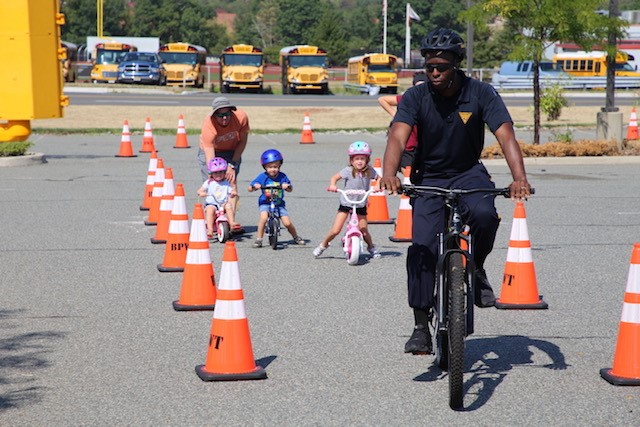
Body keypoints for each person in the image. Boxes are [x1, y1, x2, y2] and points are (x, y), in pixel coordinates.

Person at [378, 28, 532, 355]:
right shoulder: (417, 96)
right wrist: (390, 173)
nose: (434, 73)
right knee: (421, 247)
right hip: (429, 176)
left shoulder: (480, 93)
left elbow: (506, 136)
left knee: (486, 216)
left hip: (468, 171)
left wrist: (519, 178)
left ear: (457, 64)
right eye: (429, 66)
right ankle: (421, 325)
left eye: (441, 67)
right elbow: (397, 136)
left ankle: (476, 268)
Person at [313, 141, 381, 259]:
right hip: (346, 203)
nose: (359, 161)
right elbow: (334, 177)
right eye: (356, 159)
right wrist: (333, 185)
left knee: (364, 231)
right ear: (351, 160)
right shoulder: (348, 170)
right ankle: (323, 245)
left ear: (367, 160)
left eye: (362, 159)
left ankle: (371, 247)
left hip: (360, 204)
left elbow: (380, 178)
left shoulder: (370, 171)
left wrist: (378, 185)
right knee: (336, 229)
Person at [198, 96, 249, 232]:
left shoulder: (241, 117)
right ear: (214, 115)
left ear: (231, 112)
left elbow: (242, 141)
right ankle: (210, 222)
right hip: (211, 152)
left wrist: (232, 165)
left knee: (231, 188)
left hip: (231, 152)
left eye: (227, 114)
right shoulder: (209, 124)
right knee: (214, 185)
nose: (224, 118)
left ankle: (230, 222)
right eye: (220, 115)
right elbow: (209, 150)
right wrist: (212, 173)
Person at [248, 149, 306, 248]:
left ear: (279, 166)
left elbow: (290, 189)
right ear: (265, 167)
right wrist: (255, 186)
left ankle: (296, 237)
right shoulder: (262, 177)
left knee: (287, 223)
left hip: (279, 203)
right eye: (270, 167)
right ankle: (259, 239)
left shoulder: (282, 176)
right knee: (263, 218)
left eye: (275, 167)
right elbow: (249, 188)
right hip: (265, 203)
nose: (273, 169)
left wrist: (286, 186)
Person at [377, 71, 427, 174]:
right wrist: (396, 115)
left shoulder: (431, 101)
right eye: (418, 86)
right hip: (408, 146)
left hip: (424, 146)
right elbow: (382, 99)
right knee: (408, 174)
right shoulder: (409, 99)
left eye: (424, 86)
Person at [196, 157, 238, 239]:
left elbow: (231, 191)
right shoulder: (209, 182)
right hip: (212, 203)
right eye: (215, 173)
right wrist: (202, 193)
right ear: (211, 173)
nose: (218, 175)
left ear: (225, 172)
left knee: (229, 206)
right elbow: (199, 190)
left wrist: (233, 193)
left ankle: (232, 222)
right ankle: (210, 229)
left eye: (221, 172)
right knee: (210, 210)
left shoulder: (226, 183)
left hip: (223, 203)